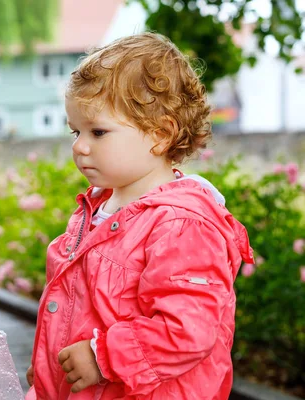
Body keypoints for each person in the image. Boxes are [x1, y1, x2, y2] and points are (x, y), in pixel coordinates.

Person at [25, 32, 254, 400]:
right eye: (76, 131)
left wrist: (103, 358)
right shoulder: (97, 210)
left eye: (98, 132)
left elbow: (186, 329)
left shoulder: (181, 226)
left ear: (160, 135)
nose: (79, 146)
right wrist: (52, 367)